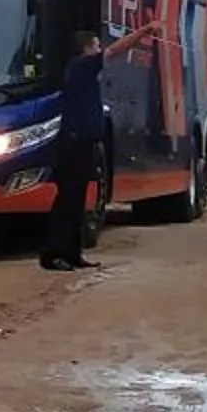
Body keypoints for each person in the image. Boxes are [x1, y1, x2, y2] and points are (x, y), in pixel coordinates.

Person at [41, 22, 150, 272]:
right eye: (96, 45)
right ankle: (53, 254)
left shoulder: (83, 72)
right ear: (87, 48)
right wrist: (145, 31)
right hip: (73, 144)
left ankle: (71, 253)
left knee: (77, 200)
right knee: (67, 201)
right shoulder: (81, 65)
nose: (100, 49)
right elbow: (117, 49)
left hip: (83, 143)